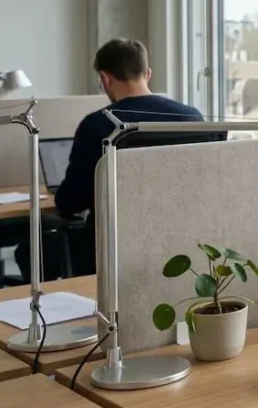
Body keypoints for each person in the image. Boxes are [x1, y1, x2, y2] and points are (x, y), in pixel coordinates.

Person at [14, 39, 203, 279]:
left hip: (112, 249)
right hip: (182, 243)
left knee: (29, 251)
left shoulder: (98, 124)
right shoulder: (192, 117)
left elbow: (71, 202)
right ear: (148, 74)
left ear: (104, 78)